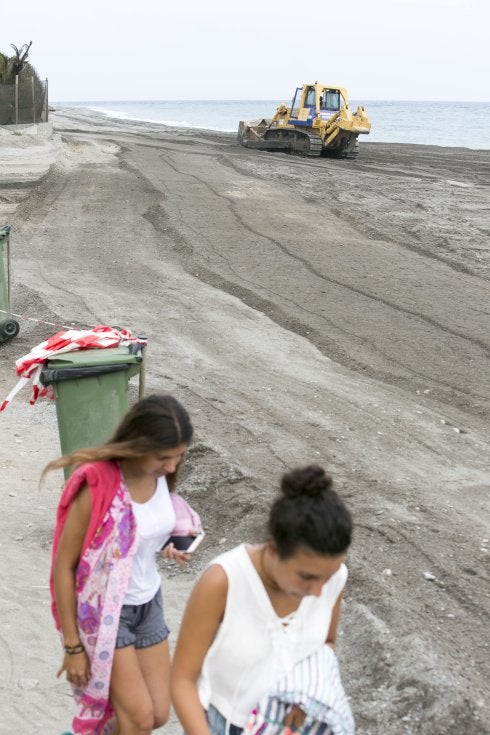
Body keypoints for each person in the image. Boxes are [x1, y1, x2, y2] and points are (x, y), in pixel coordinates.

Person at [46, 393, 195, 735]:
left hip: (148, 604)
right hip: (105, 615)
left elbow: (136, 536)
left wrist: (170, 544)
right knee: (138, 719)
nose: (171, 467)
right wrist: (72, 646)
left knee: (157, 713)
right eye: (163, 457)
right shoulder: (98, 484)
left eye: (178, 457)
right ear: (138, 445)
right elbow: (64, 567)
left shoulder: (159, 476)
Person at [171, 464, 353, 735]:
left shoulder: (333, 578)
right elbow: (183, 680)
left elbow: (326, 645)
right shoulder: (223, 582)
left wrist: (304, 703)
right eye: (307, 576)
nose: (318, 591)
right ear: (275, 547)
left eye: (327, 577)